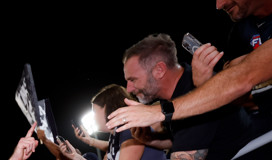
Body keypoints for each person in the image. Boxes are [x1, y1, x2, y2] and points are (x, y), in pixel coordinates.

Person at [78, 33, 269, 160]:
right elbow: (187, 142)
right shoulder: (180, 90)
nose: (129, 88)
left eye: (133, 80)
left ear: (159, 70)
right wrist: (151, 139)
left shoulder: (192, 93)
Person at [105, 0, 272, 134]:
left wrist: (158, 112)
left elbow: (241, 78)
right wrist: (207, 82)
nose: (219, 5)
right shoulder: (240, 31)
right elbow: (240, 95)